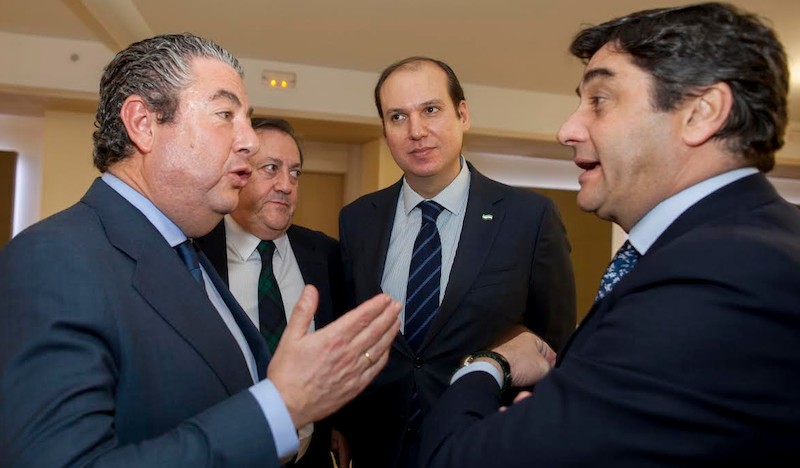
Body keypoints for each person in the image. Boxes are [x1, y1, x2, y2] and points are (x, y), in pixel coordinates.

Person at [419, 3, 800, 466]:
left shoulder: (721, 278)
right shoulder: (749, 243)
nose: (567, 130)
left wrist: (485, 368)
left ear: (702, 113)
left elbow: (460, 459)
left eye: (599, 100)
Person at [0, 33, 401, 467]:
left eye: (246, 119)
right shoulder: (55, 260)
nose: (249, 141)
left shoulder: (186, 253)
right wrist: (281, 408)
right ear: (143, 123)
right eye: (225, 114)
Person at [337, 56, 577, 467]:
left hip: (484, 444)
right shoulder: (358, 219)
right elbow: (350, 334)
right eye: (398, 117)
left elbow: (553, 345)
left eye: (431, 109)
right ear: (384, 129)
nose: (416, 131)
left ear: (462, 114)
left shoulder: (528, 218)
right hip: (379, 446)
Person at [196, 117, 346, 467]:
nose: (286, 185)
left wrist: (340, 421)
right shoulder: (194, 254)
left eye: (295, 173)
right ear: (238, 173)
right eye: (271, 168)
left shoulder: (325, 255)